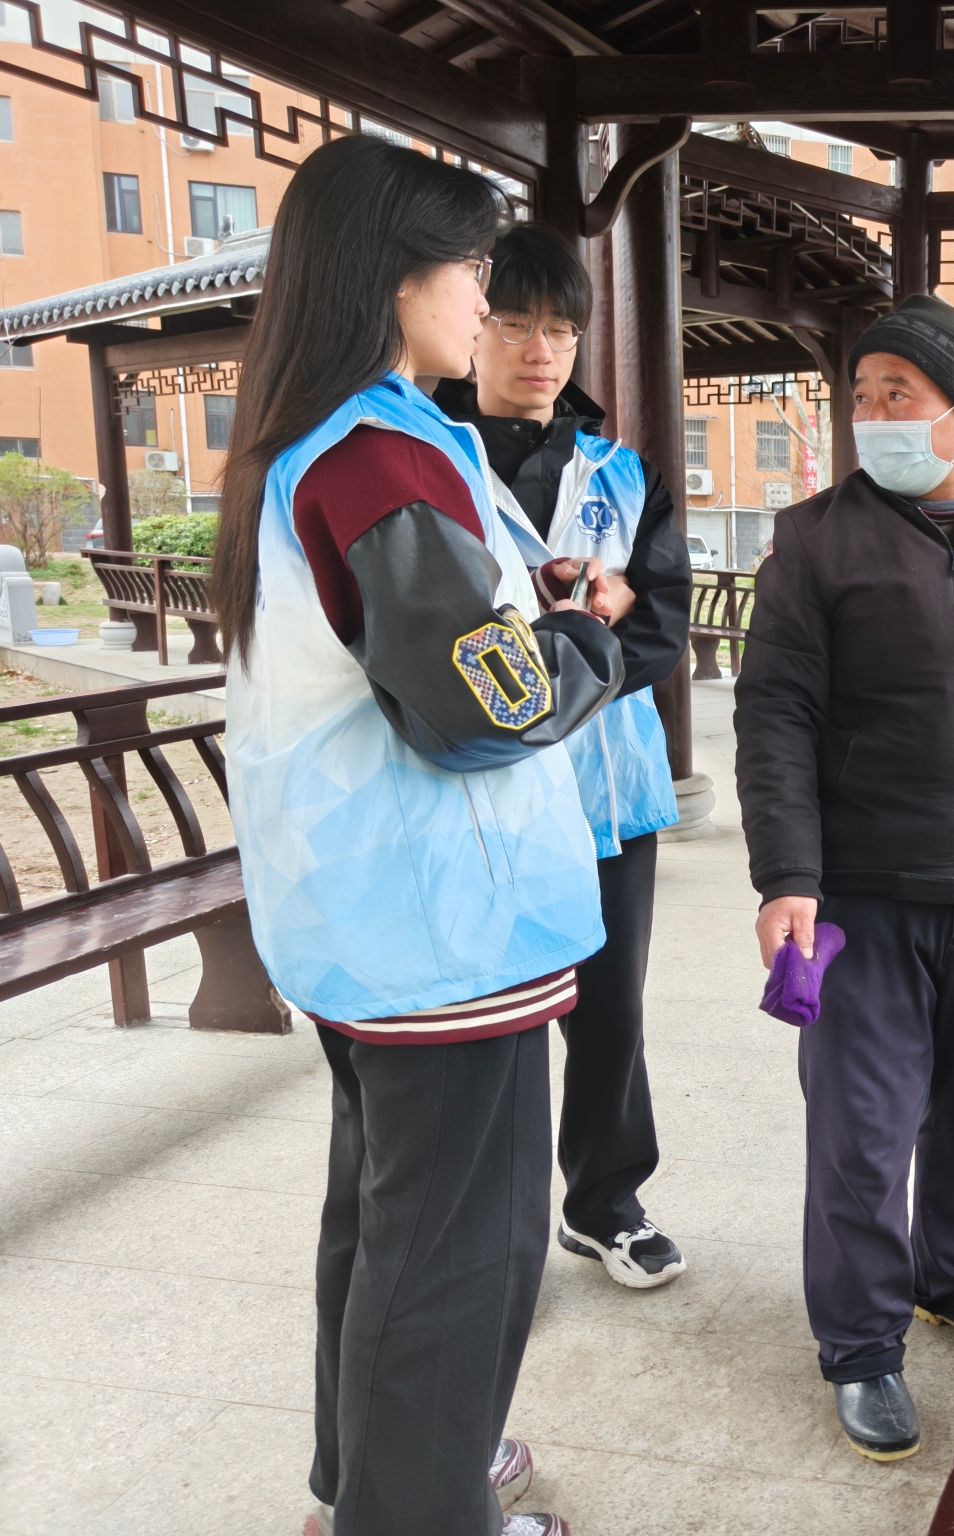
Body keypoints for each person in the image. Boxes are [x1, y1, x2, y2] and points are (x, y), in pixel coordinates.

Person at [215, 136, 629, 1536]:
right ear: (395, 278)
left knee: (390, 1226)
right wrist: (584, 639)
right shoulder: (382, 455)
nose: (485, 298)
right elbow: (483, 701)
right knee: (462, 1253)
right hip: (446, 921)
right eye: (470, 268)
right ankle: (418, 1516)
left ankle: (379, 1491)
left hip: (370, 919)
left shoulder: (321, 438)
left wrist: (523, 604)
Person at [734, 295, 954, 1462]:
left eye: (899, 393)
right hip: (863, 897)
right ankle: (860, 1346)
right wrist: (786, 876)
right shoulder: (814, 542)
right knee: (862, 1131)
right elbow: (774, 718)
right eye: (861, 393)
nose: (873, 414)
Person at [437, 224, 696, 1289]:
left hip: (606, 791)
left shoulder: (622, 476)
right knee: (483, 1014)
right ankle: (483, 1232)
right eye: (513, 323)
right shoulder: (425, 458)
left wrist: (556, 667)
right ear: (473, 326)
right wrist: (576, 636)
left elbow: (662, 625)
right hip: (473, 790)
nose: (540, 349)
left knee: (609, 1008)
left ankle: (605, 1203)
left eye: (561, 329)